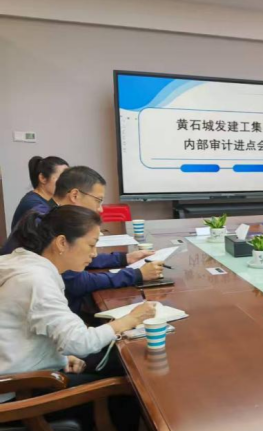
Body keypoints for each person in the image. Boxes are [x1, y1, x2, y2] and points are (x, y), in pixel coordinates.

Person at [0, 206, 156, 386]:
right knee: (132, 370)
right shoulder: (37, 281)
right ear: (62, 243)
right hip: (22, 386)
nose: (94, 254)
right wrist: (132, 319)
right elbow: (80, 343)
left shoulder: (21, 261)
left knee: (118, 358)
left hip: (23, 368)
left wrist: (61, 357)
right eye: (91, 245)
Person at [2, 166, 163, 313]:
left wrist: (124, 258)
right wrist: (135, 275)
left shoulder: (52, 214)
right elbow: (74, 282)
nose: (100, 209)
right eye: (98, 200)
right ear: (75, 195)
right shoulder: (46, 222)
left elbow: (75, 255)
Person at [10, 155, 68, 229]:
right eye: (61, 178)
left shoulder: (51, 201)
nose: (67, 183)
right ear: (42, 178)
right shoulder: (32, 203)